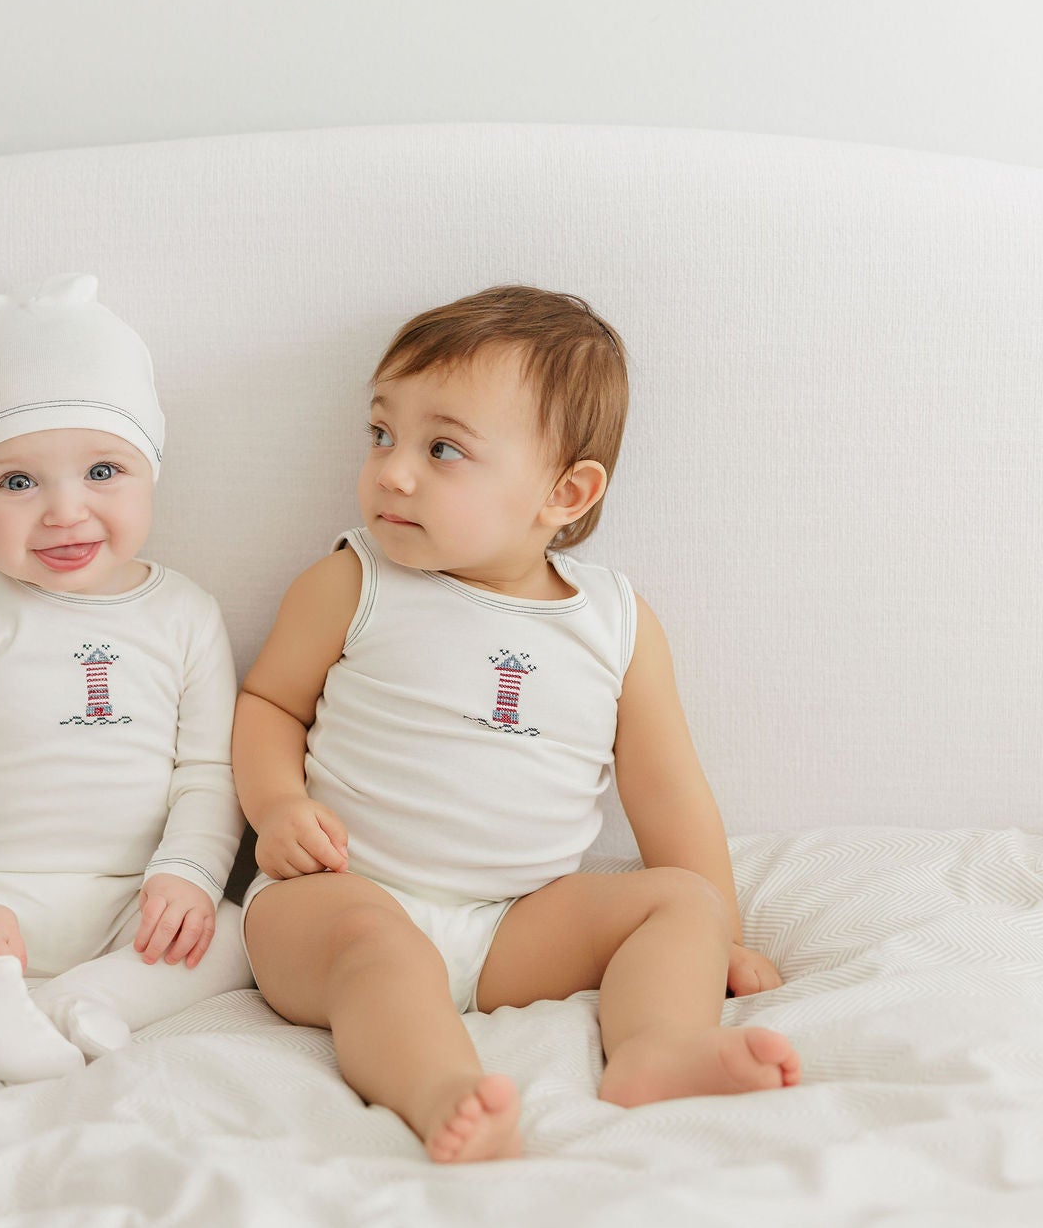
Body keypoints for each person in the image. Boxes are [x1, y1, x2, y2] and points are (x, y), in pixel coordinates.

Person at [233, 286, 798, 1162]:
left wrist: (720, 936)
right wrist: (276, 807)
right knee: (377, 952)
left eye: (443, 448)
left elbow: (669, 792)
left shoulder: (615, 624)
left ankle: (656, 1051)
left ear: (564, 492)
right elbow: (268, 703)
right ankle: (442, 1092)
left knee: (680, 902)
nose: (393, 471)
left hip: (515, 926)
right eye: (381, 433)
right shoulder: (354, 580)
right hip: (340, 897)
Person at [0, 274, 253, 1082]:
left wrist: (186, 875)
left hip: (131, 902)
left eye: (103, 471)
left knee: (241, 932)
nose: (65, 511)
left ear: (151, 471)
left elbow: (210, 770)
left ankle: (79, 1001)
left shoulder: (185, 613)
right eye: (17, 482)